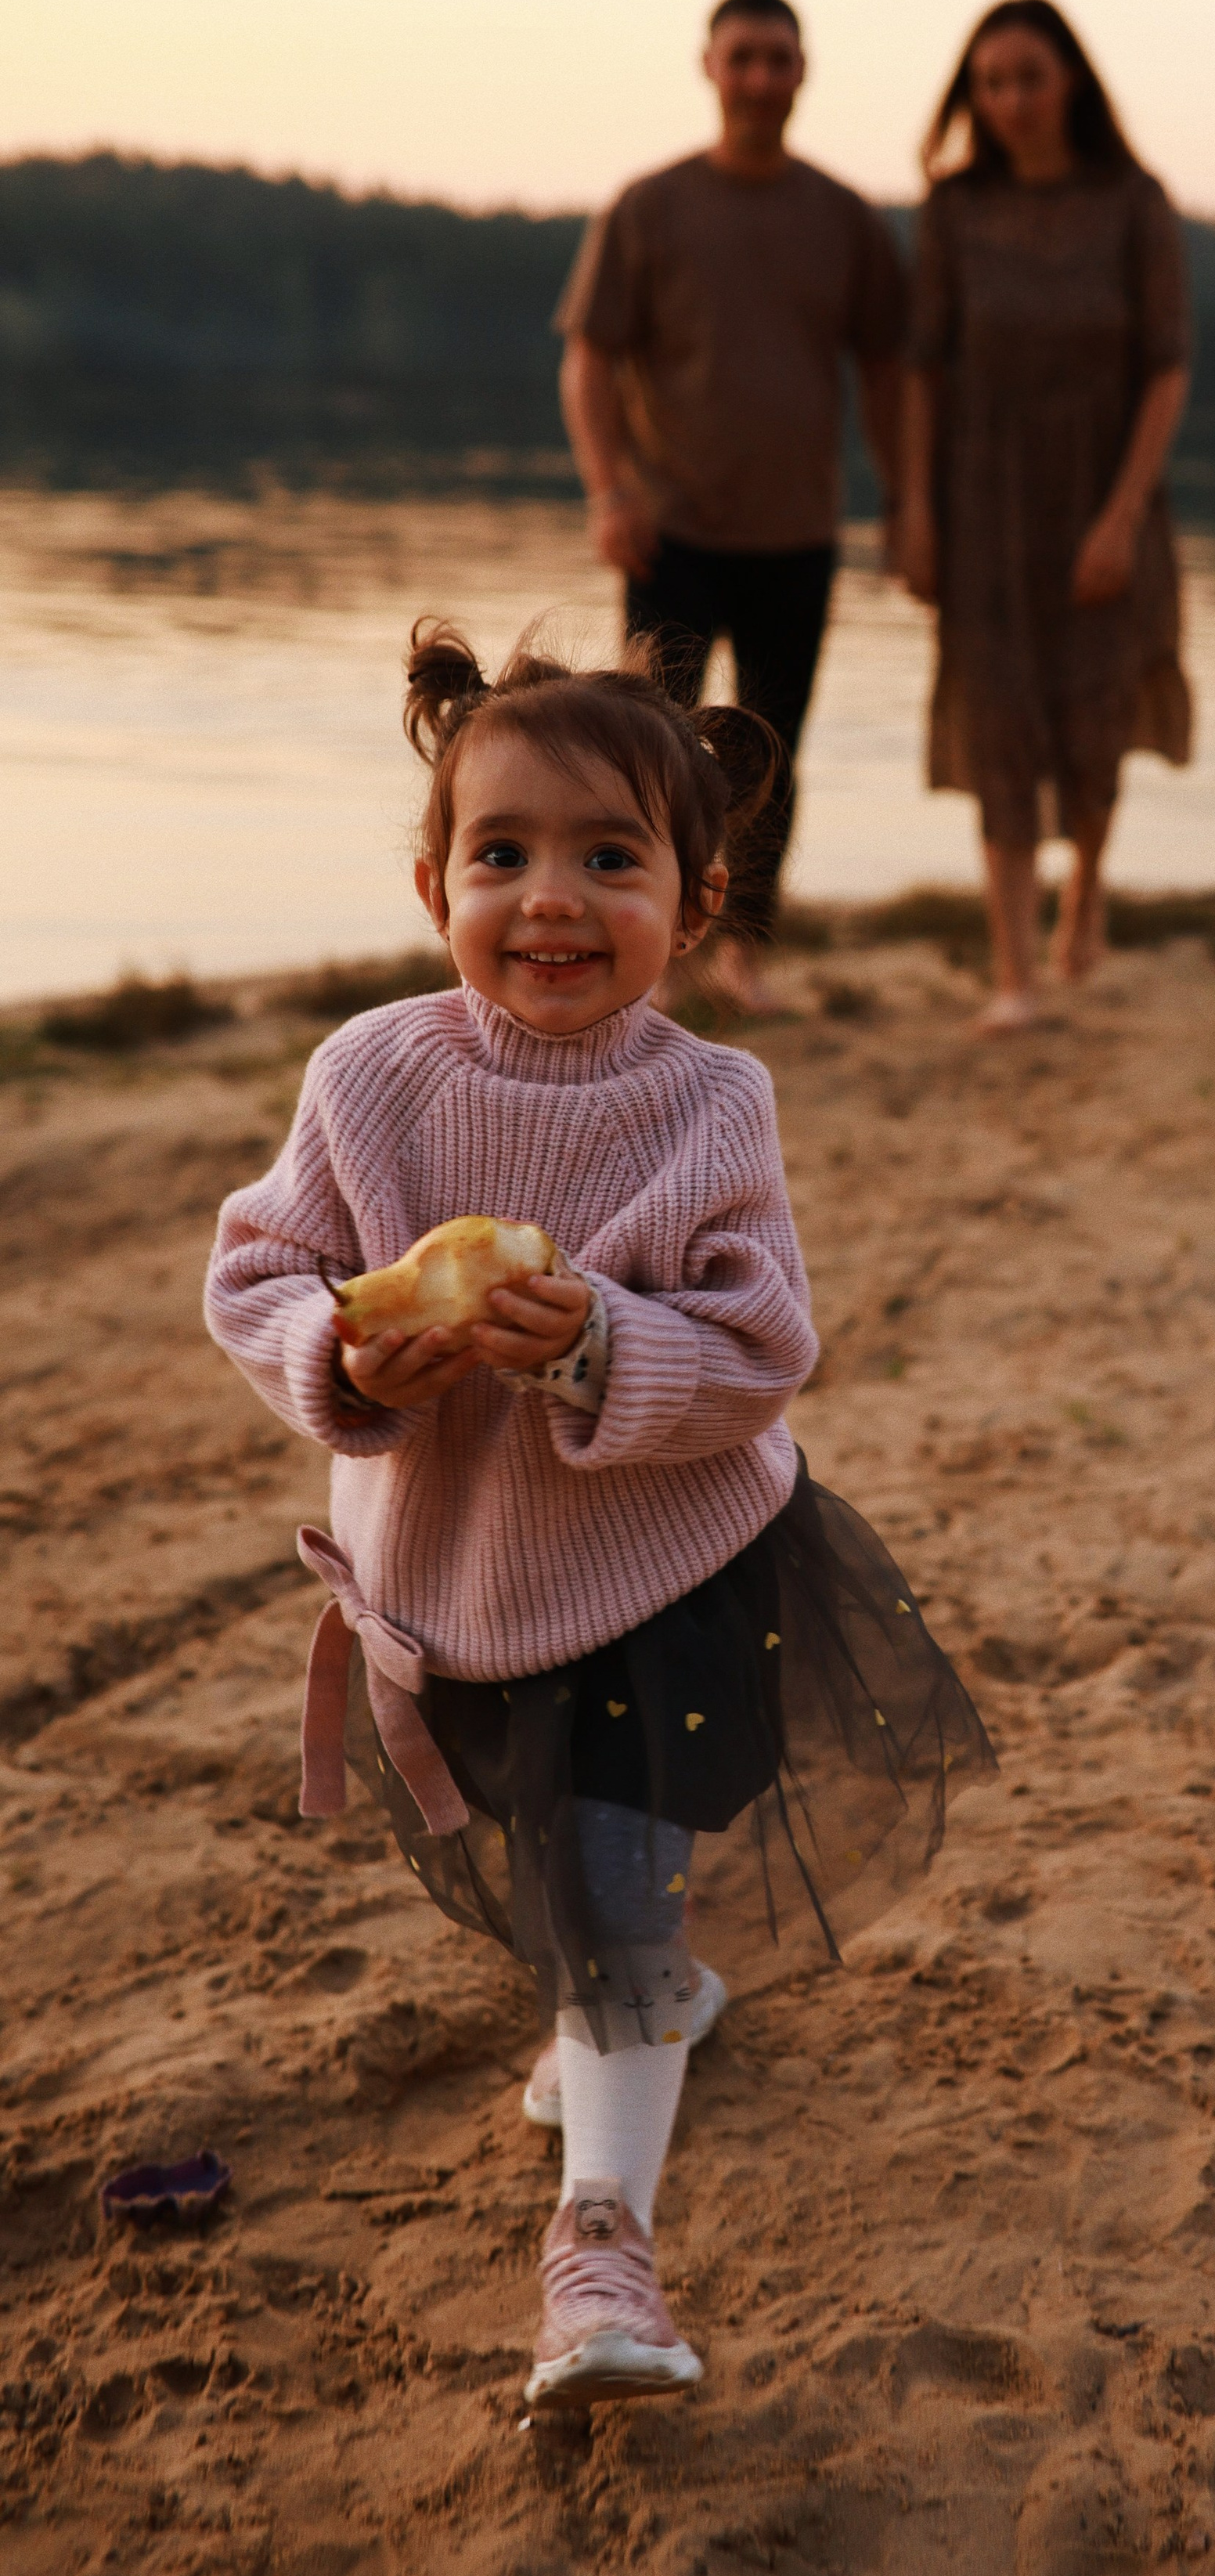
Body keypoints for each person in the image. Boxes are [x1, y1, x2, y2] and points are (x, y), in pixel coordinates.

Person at [203, 623, 993, 2410]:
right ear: (432, 884)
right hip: (457, 1585)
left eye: (609, 860)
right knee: (561, 1866)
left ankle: (600, 2248)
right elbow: (254, 1273)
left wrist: (599, 1347)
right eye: (503, 856)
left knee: (615, 1901)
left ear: (692, 907)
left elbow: (759, 1348)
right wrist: (344, 1356)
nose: (549, 900)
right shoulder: (371, 1079)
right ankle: (632, 2000)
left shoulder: (713, 1103)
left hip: (658, 1578)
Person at [556, 0, 907, 1014]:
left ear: (804, 73)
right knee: (652, 754)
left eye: (779, 60)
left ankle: (745, 947)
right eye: (742, 57)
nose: (760, 77)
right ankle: (654, 955)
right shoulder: (652, 207)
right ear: (709, 66)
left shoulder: (843, 220)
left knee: (771, 751)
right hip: (671, 532)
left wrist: (907, 505)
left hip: (796, 534)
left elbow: (888, 375)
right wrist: (607, 489)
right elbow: (589, 363)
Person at [900, 0, 1192, 1033]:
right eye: (991, 83)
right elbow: (923, 370)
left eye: (1028, 76)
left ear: (1070, 78)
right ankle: (1014, 975)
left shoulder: (1132, 201)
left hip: (1104, 490)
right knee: (1000, 727)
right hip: (984, 503)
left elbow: (1165, 370)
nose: (1011, 99)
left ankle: (1089, 888)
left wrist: (1120, 519)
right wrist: (918, 513)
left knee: (1097, 715)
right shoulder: (953, 211)